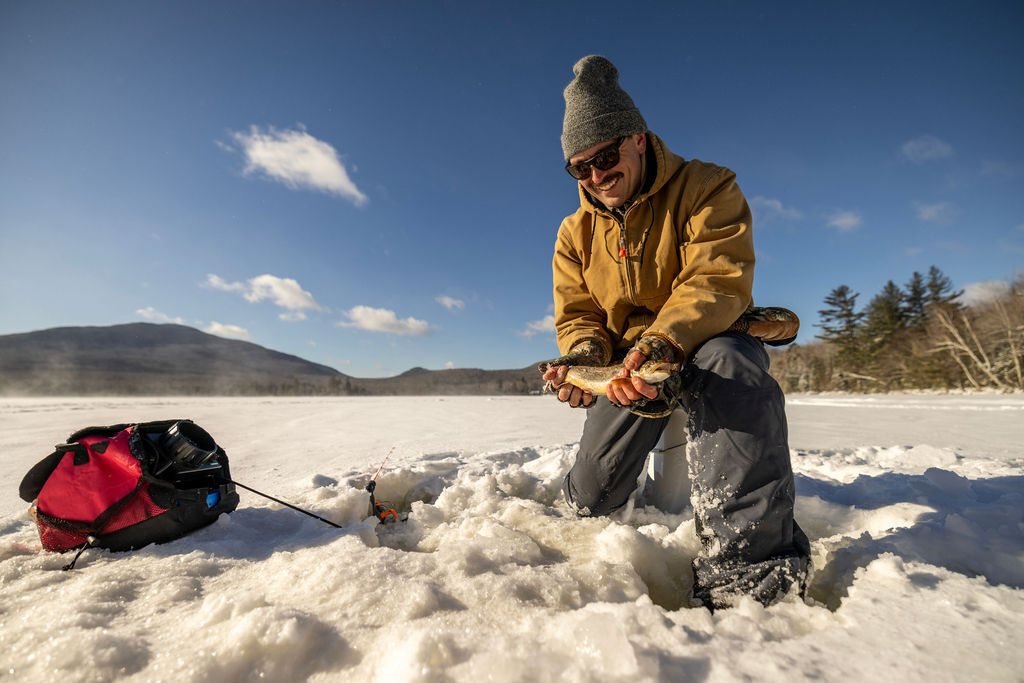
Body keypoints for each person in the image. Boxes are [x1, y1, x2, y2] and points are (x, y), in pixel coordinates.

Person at [540, 55, 810, 610]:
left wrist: (658, 344)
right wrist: (586, 360)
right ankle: (590, 497)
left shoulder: (707, 186)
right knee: (590, 499)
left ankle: (748, 573)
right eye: (579, 168)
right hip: (627, 369)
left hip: (703, 338)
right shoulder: (573, 233)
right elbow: (577, 313)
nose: (596, 176)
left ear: (637, 139)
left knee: (730, 367)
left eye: (606, 157)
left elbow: (716, 278)